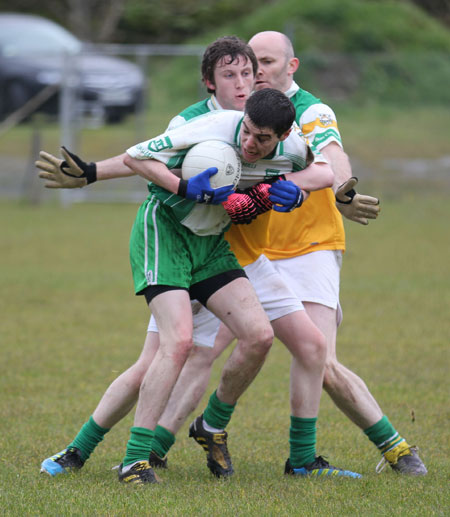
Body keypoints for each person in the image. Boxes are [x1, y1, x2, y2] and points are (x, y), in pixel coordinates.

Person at [143, 32, 426, 477]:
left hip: (310, 247)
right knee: (199, 348)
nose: (256, 72)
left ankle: (370, 451)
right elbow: (165, 153)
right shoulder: (241, 114)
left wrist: (345, 191)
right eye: (250, 63)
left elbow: (332, 155)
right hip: (242, 250)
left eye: (267, 62)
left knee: (316, 354)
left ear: (291, 67)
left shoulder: (310, 111)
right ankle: (147, 449)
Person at [37, 80, 336, 485]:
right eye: (246, 131)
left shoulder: (293, 148)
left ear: (282, 136)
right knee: (176, 344)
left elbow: (324, 170)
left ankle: (212, 423)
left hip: (211, 244)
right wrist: (179, 185)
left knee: (259, 336)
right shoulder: (210, 127)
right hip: (165, 231)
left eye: (261, 138)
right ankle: (133, 462)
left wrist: (296, 195)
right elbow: (136, 158)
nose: (249, 142)